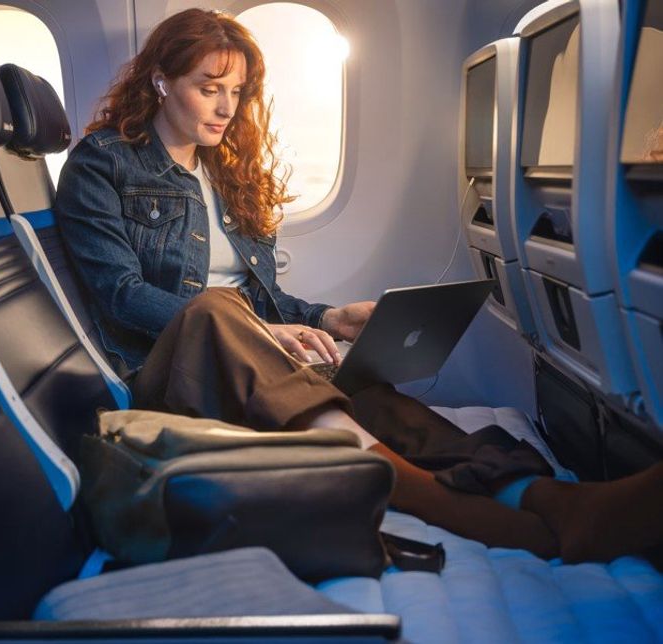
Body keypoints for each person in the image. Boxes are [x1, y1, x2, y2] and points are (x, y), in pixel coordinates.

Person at [54, 8, 663, 564]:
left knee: (358, 381)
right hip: (165, 374)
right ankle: (427, 496)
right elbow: (122, 296)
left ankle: (549, 498)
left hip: (241, 351)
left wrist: (325, 320)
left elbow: (264, 300)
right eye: (208, 88)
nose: (225, 108)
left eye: (236, 93)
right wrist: (259, 330)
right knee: (218, 308)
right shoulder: (102, 164)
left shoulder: (223, 170)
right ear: (161, 80)